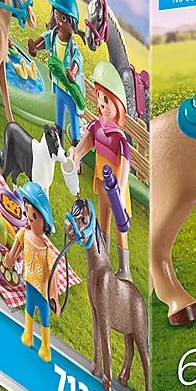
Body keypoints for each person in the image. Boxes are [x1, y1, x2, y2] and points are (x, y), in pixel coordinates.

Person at [69, 60, 133, 280]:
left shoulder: (119, 138)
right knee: (103, 220)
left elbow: (125, 164)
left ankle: (124, 268)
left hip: (116, 190)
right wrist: (75, 155)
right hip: (102, 184)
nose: (102, 104)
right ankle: (103, 259)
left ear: (118, 104)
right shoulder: (96, 126)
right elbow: (84, 145)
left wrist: (121, 189)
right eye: (99, 98)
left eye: (107, 100)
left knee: (120, 226)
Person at [9, 181, 64, 362]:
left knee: (44, 317)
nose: (30, 220)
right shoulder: (24, 234)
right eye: (28, 215)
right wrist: (10, 259)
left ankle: (45, 346)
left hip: (42, 290)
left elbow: (54, 273)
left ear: (44, 222)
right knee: (29, 308)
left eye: (34, 216)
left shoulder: (48, 252)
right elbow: (14, 252)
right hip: (29, 283)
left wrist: (54, 296)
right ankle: (28, 334)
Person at [27, 0, 84, 147]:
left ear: (72, 23)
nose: (59, 20)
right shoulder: (53, 36)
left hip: (70, 90)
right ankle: (58, 141)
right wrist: (34, 47)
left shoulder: (72, 46)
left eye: (64, 18)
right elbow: (44, 40)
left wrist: (72, 72)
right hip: (59, 85)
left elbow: (78, 58)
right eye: (57, 14)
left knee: (73, 117)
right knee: (59, 115)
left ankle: (76, 147)